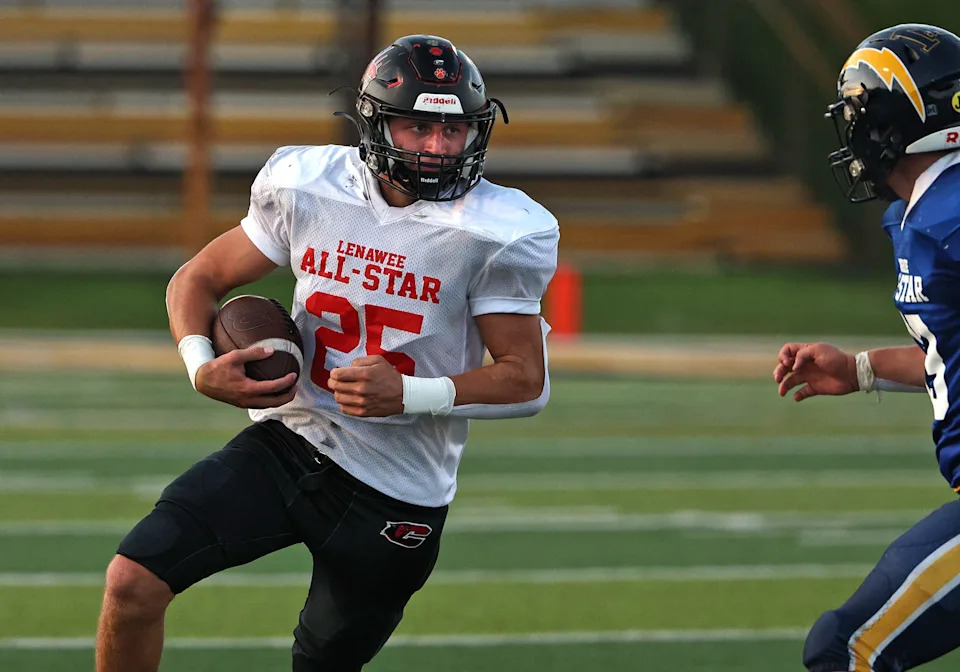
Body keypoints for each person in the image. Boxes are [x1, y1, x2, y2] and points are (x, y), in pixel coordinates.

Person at [95, 34, 558, 672]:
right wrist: (200, 364)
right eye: (418, 127)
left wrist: (415, 394)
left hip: (397, 490)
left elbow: (525, 382)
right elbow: (196, 278)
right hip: (292, 441)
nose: (437, 147)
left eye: (454, 131)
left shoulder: (498, 230)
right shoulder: (310, 185)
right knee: (132, 582)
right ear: (373, 123)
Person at [773, 23, 960, 672]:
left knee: (846, 648)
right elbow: (950, 353)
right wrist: (861, 368)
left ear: (896, 117)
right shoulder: (919, 213)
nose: (850, 132)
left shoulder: (950, 214)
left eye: (856, 112)